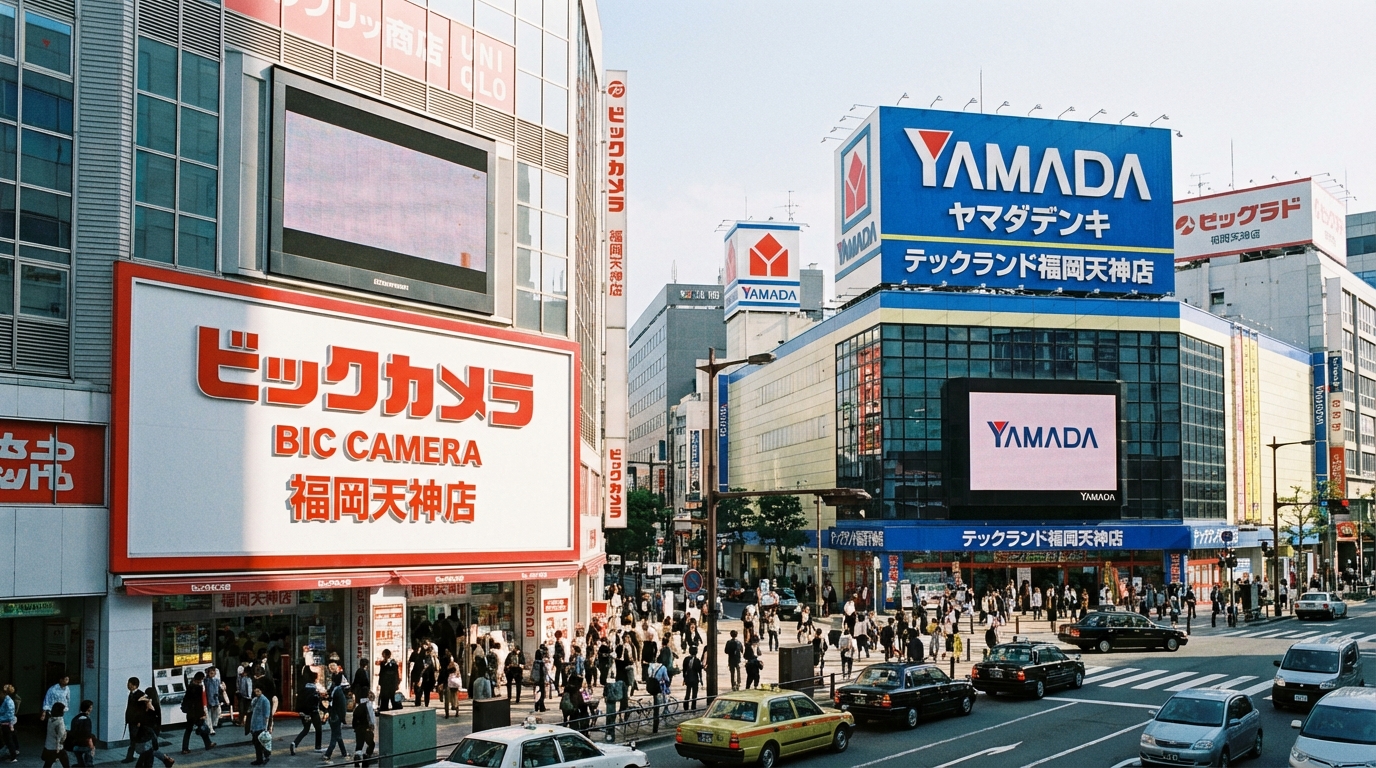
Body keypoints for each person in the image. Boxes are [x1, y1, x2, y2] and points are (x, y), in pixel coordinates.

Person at [288, 671, 323, 755]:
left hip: (304, 713)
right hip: (313, 712)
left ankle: (295, 743)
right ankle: (318, 747)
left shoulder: (303, 689)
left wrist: (300, 711)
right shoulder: (314, 690)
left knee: (306, 729)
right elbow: (315, 702)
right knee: (318, 729)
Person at [180, 672, 216, 753]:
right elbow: (199, 703)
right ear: (200, 679)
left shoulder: (189, 687)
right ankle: (208, 744)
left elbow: (186, 700)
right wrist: (202, 714)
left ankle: (185, 748)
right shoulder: (198, 688)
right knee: (202, 728)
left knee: (188, 730)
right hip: (197, 713)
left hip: (190, 713)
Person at [321, 678, 349, 764]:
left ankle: (344, 752)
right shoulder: (340, 693)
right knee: (335, 736)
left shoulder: (334, 691)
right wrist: (343, 718)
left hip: (333, 715)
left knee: (337, 735)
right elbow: (343, 708)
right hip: (337, 716)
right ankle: (328, 754)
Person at [351, 690, 376, 768]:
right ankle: (367, 757)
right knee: (371, 744)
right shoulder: (368, 705)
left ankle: (357, 758)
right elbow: (371, 717)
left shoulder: (358, 706)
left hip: (358, 729)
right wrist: (372, 725)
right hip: (366, 728)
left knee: (359, 745)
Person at [67, 700, 95, 768]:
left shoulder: (75, 718)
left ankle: (81, 764)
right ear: (89, 708)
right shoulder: (87, 720)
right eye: (91, 707)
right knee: (89, 753)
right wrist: (92, 747)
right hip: (84, 745)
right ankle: (88, 764)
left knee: (79, 757)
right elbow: (88, 735)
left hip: (75, 745)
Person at [249, 685, 273, 766]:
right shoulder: (256, 700)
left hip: (261, 726)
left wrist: (267, 727)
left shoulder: (265, 700)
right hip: (255, 725)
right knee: (257, 743)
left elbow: (267, 715)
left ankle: (263, 757)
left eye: (258, 691)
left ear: (262, 691)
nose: (256, 693)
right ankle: (260, 758)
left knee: (260, 743)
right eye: (255, 691)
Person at [41, 702, 68, 768]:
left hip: (49, 745)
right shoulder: (60, 721)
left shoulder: (50, 719)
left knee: (48, 764)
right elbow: (61, 735)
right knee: (65, 763)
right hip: (57, 747)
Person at [0, 683, 18, 763]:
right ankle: (13, 755)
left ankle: (13, 756)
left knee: (9, 740)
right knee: (9, 740)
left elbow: (10, 714)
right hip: (6, 722)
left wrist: (11, 724)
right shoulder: (7, 700)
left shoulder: (8, 701)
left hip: (6, 723)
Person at [204, 668, 224, 736]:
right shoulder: (206, 681)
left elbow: (219, 689)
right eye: (211, 673)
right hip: (209, 699)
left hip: (215, 699)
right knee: (209, 715)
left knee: (216, 714)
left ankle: (213, 725)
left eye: (213, 672)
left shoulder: (217, 680)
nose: (212, 674)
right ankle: (210, 728)